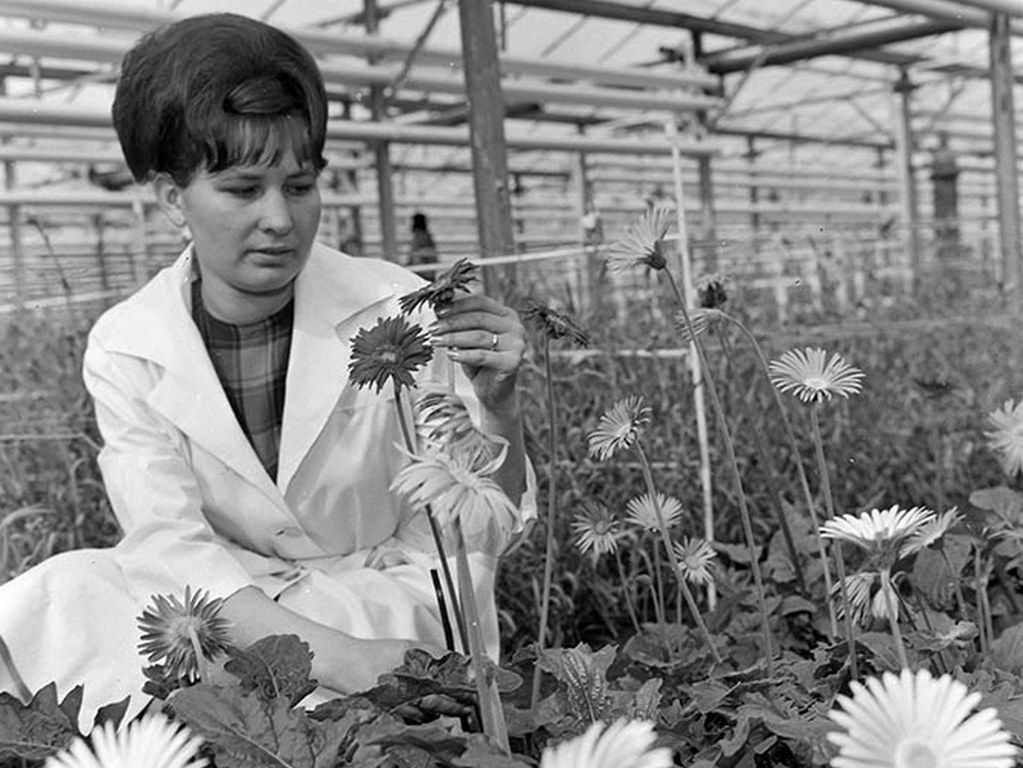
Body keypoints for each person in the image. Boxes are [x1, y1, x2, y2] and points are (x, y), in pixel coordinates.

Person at [0, 12, 534, 726]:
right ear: (171, 199)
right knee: (58, 592)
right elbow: (168, 546)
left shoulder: (396, 309)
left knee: (285, 711)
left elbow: (479, 532)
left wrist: (499, 409)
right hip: (234, 605)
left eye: (299, 185)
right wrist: (341, 659)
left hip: (384, 600)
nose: (281, 219)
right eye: (244, 189)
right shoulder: (128, 344)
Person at [408, 211, 439, 280]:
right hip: (425, 270)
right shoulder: (427, 236)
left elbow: (416, 255)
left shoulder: (419, 236)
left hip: (423, 272)